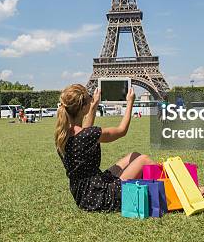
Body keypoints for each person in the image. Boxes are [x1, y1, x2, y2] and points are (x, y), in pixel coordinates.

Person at [54, 84, 157, 212]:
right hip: (100, 196)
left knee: (134, 156)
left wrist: (94, 105)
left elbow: (84, 132)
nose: (91, 99)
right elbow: (121, 130)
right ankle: (172, 186)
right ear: (83, 107)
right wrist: (130, 102)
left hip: (84, 195)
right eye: (89, 99)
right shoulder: (89, 135)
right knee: (144, 159)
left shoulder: (62, 136)